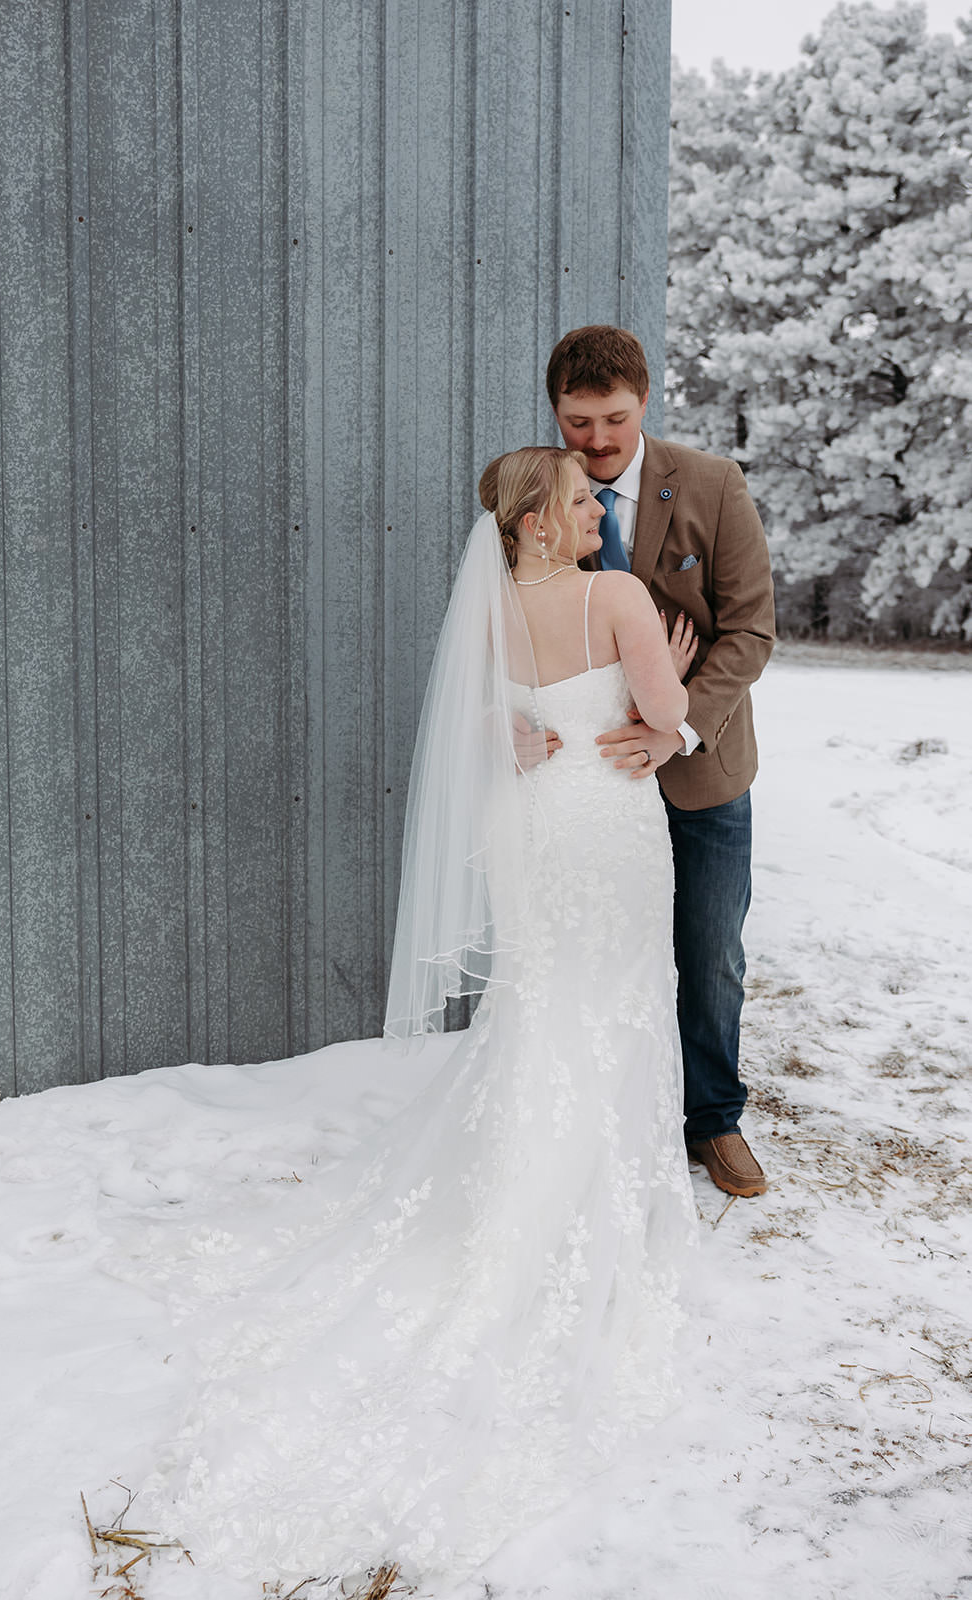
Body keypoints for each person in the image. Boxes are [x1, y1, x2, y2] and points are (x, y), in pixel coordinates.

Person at [142, 448, 701, 1590]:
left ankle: (518, 1184)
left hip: (535, 824)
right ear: (540, 524)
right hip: (604, 820)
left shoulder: (488, 610)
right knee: (616, 999)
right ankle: (595, 1195)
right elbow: (657, 710)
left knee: (543, 1003)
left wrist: (521, 732)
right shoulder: (620, 597)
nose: (599, 507)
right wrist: (678, 696)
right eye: (579, 500)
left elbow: (482, 732)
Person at [545, 325, 776, 1198]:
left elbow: (750, 629)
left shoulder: (713, 485)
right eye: (577, 423)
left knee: (710, 951)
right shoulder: (537, 490)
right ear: (555, 413)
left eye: (612, 418)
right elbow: (506, 625)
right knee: (599, 948)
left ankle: (713, 1121)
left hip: (701, 767)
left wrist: (672, 727)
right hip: (585, 777)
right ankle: (611, 1115)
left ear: (644, 401)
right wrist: (512, 718)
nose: (596, 442)